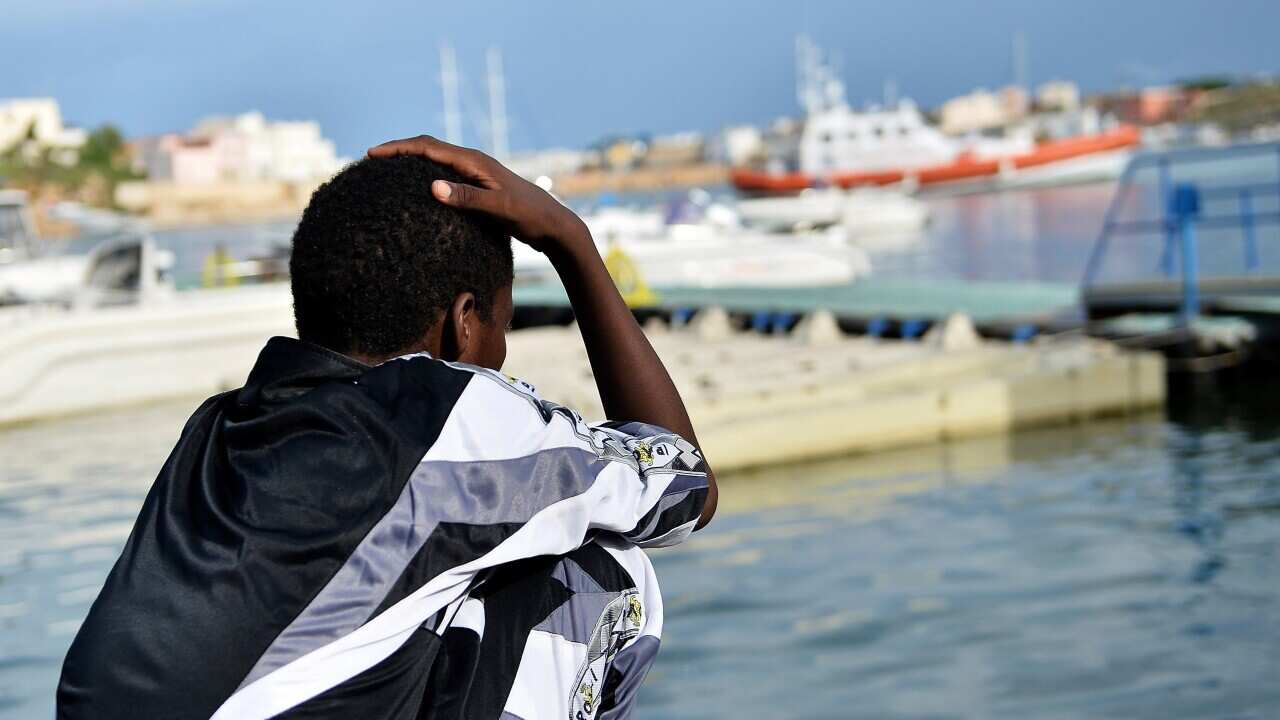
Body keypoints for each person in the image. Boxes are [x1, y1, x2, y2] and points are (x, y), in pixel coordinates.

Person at [56, 137, 717, 719]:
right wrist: (570, 240)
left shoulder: (217, 430)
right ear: (464, 322)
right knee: (602, 566)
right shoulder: (447, 415)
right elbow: (687, 484)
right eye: (499, 327)